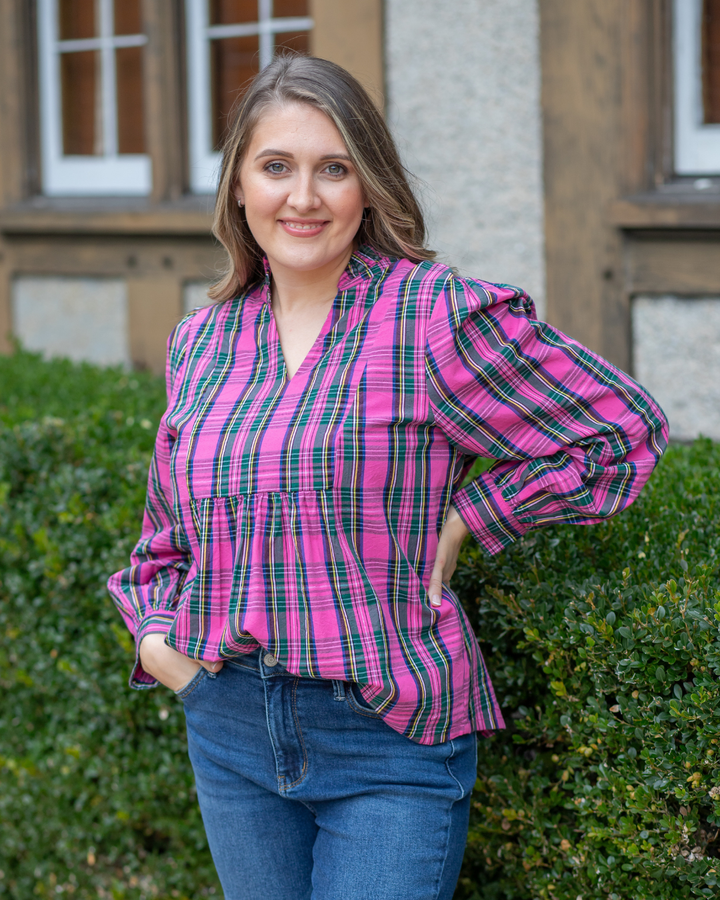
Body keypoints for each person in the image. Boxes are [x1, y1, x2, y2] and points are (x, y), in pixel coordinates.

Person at [107, 55, 668, 900]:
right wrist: (161, 645)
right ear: (238, 189)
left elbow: (621, 432)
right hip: (227, 731)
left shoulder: (431, 318)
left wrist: (475, 516)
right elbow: (165, 542)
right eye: (276, 167)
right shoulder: (204, 340)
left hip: (387, 740)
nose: (303, 197)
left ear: (368, 185)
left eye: (333, 168)